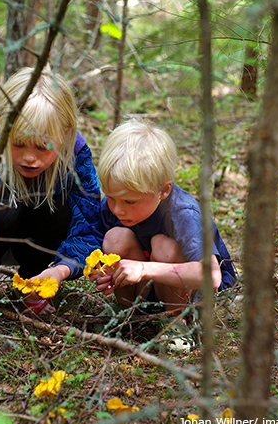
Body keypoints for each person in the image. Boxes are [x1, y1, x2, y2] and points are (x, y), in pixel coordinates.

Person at [0, 67, 102, 347]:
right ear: (2, 127)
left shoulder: (75, 157)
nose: (29, 158)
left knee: (64, 204)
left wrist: (60, 270)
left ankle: (32, 283)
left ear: (66, 134)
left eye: (42, 147)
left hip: (41, 239)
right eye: (19, 144)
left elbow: (90, 222)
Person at [91, 119, 236, 314]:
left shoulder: (183, 214)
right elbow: (94, 241)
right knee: (116, 239)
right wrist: (104, 272)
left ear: (163, 191)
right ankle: (127, 315)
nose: (117, 209)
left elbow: (212, 276)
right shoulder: (117, 204)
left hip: (196, 298)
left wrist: (143, 269)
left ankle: (177, 324)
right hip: (149, 290)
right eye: (110, 198)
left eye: (130, 202)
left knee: (163, 246)